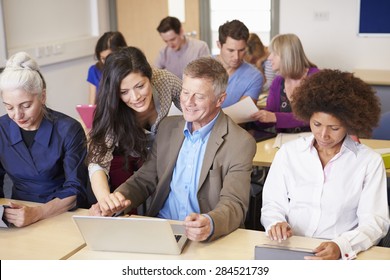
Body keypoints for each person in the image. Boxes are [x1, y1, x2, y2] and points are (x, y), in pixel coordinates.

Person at [90, 57, 257, 242]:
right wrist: (114, 202)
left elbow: (234, 204)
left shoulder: (240, 143)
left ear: (220, 99)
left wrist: (210, 223)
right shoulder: (168, 127)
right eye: (185, 93)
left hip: (205, 237)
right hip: (162, 229)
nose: (188, 102)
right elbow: (145, 179)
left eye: (199, 96)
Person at [261, 69, 390, 260]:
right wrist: (276, 223)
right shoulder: (289, 154)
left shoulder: (368, 162)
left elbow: (374, 222)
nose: (323, 135)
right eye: (316, 124)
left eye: (334, 128)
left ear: (349, 123)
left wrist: (342, 246)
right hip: (291, 249)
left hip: (342, 255)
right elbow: (272, 204)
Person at [87, 46, 182, 212]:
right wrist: (105, 199)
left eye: (140, 86)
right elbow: (97, 162)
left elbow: (194, 108)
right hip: (130, 158)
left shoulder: (165, 80)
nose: (135, 97)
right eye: (124, 92)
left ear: (150, 77)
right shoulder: (112, 109)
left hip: (164, 154)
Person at [0, 52, 88, 227]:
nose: (18, 115)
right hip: (19, 214)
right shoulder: (1, 129)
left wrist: (37, 213)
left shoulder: (68, 129)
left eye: (26, 106)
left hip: (61, 211)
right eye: (9, 107)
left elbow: (75, 189)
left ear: (42, 96)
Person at [251, 33, 319, 133]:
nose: (269, 58)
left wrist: (275, 117)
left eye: (274, 53)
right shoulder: (278, 81)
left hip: (312, 141)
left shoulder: (316, 78)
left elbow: (315, 117)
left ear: (287, 56)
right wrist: (254, 118)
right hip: (283, 142)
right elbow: (270, 116)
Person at [214, 20, 263, 108]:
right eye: (231, 50)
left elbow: (242, 114)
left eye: (241, 50)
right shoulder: (200, 66)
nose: (236, 57)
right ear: (219, 45)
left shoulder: (255, 76)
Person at [87, 31, 127, 104]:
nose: (106, 63)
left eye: (109, 58)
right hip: (104, 114)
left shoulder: (129, 70)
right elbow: (91, 105)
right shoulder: (94, 71)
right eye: (103, 58)